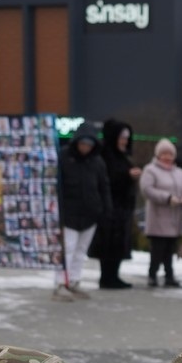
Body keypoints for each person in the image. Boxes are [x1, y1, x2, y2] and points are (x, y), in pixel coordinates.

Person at [54, 126, 111, 301]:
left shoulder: (97, 161)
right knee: (67, 249)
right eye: (83, 143)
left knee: (81, 251)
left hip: (90, 213)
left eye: (89, 144)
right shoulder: (63, 157)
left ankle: (74, 280)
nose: (86, 147)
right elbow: (56, 184)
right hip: (69, 213)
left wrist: (106, 209)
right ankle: (60, 283)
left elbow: (104, 186)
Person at [139, 138, 182, 288]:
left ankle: (169, 275)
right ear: (158, 155)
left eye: (170, 154)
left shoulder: (180, 172)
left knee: (170, 249)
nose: (167, 157)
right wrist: (167, 198)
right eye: (164, 154)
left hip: (175, 218)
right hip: (158, 218)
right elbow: (147, 190)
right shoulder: (150, 170)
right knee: (158, 249)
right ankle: (152, 274)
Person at [95, 119, 140, 289]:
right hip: (110, 207)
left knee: (119, 243)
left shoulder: (123, 156)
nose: (125, 141)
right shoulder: (105, 157)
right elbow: (108, 180)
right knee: (109, 243)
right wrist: (127, 176)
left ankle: (113, 275)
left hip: (123, 208)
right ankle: (107, 277)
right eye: (122, 138)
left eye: (127, 138)